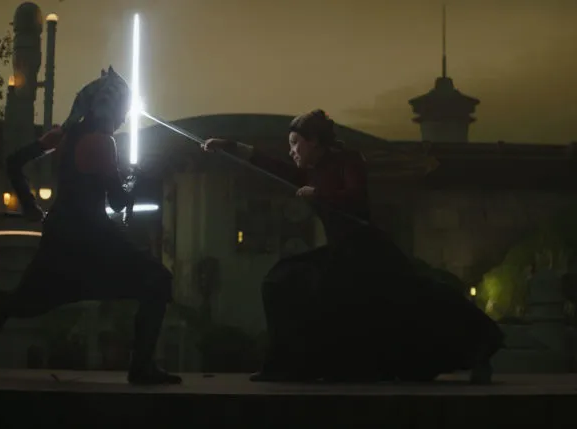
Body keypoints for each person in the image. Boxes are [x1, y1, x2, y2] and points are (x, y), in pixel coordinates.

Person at [203, 109, 503, 383]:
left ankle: (480, 347)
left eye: (295, 143)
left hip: (368, 250)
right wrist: (228, 146)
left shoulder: (349, 160)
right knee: (281, 282)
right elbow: (271, 165)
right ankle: (289, 366)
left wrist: (319, 194)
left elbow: (355, 196)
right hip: (341, 251)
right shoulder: (308, 171)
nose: (291, 151)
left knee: (418, 301)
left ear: (314, 141)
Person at [0, 67, 181, 385]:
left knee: (22, 302)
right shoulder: (104, 143)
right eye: (124, 109)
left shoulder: (63, 137)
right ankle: (142, 367)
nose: (125, 117)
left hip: (59, 236)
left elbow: (15, 162)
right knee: (157, 280)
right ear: (112, 108)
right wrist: (134, 179)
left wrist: (29, 205)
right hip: (94, 239)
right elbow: (116, 202)